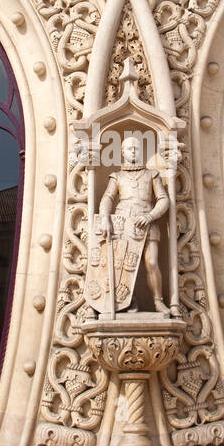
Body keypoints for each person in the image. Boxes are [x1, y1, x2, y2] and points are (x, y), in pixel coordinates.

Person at [90, 135, 177, 315]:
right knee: (124, 267)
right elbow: (107, 198)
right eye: (130, 149)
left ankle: (158, 301)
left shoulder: (152, 174)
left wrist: (150, 216)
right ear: (122, 152)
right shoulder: (117, 176)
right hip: (123, 226)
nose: (134, 151)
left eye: (136, 148)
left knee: (151, 262)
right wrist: (105, 218)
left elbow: (163, 199)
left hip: (147, 223)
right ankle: (128, 302)